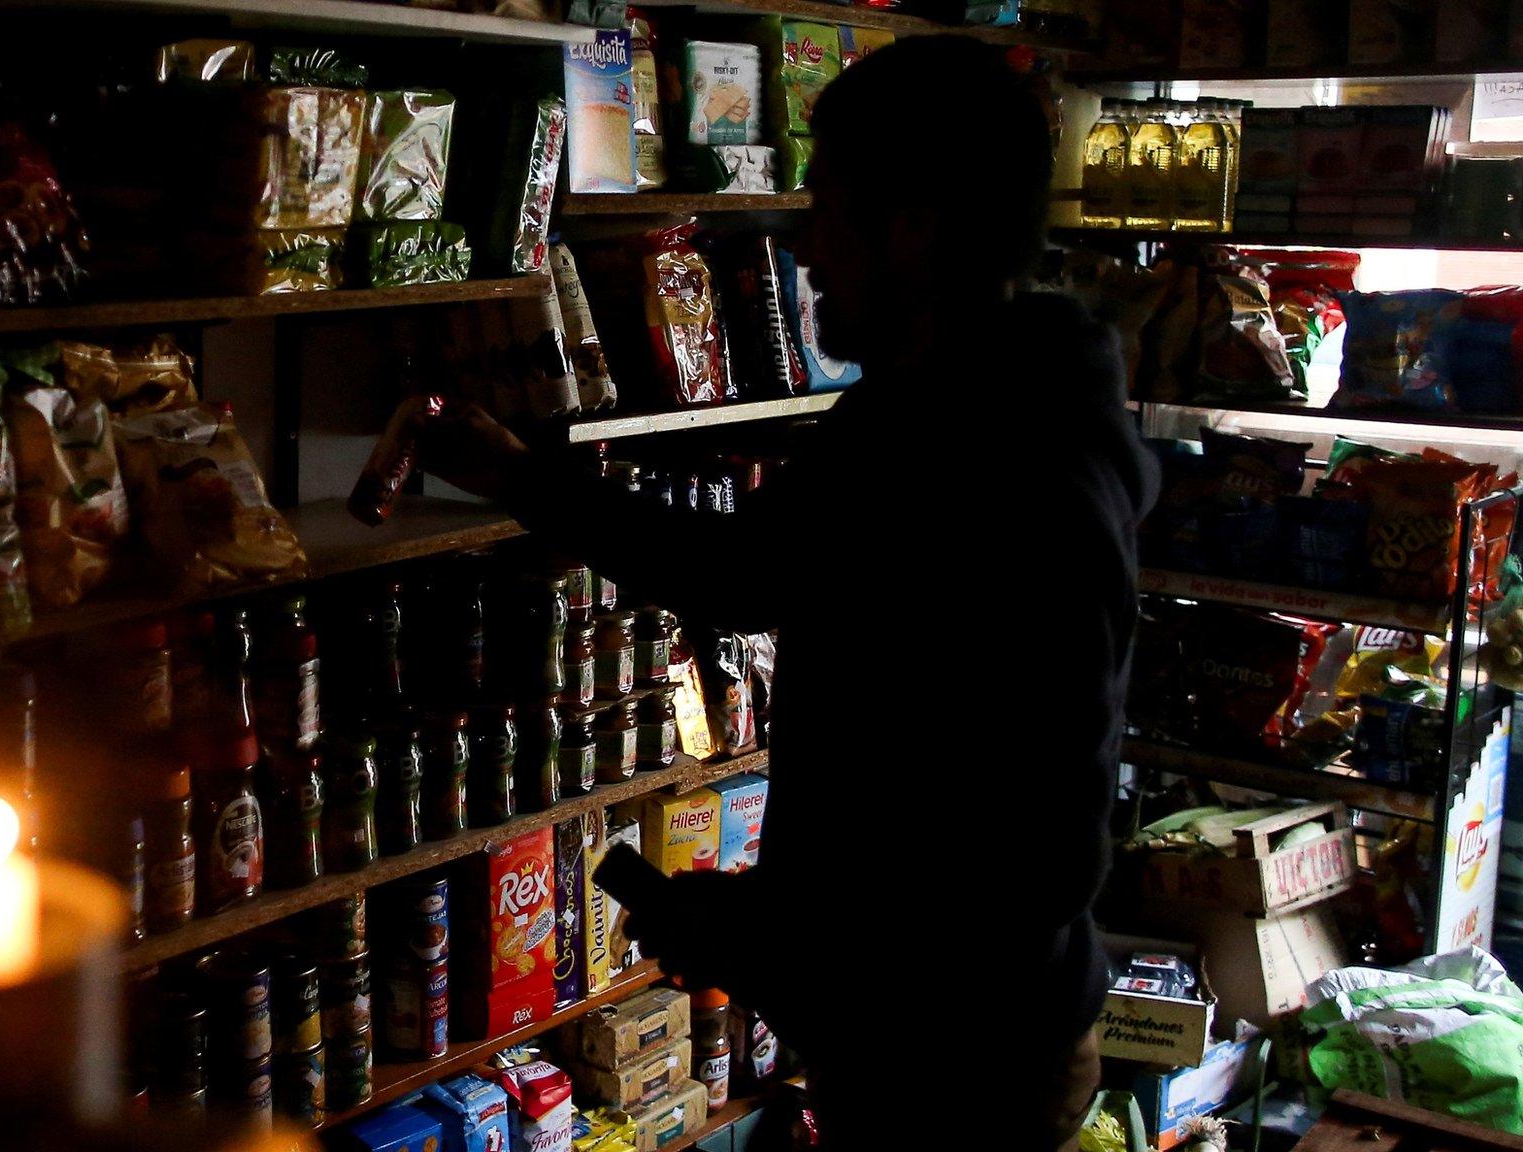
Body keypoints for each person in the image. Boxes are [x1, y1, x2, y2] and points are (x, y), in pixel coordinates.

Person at [420, 34, 1157, 1151]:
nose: (805, 248)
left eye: (828, 208)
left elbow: (1027, 845)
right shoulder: (927, 412)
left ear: (914, 225)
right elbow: (750, 576)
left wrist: (794, 941)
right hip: (920, 1023)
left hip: (963, 1053)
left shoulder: (1009, 461)